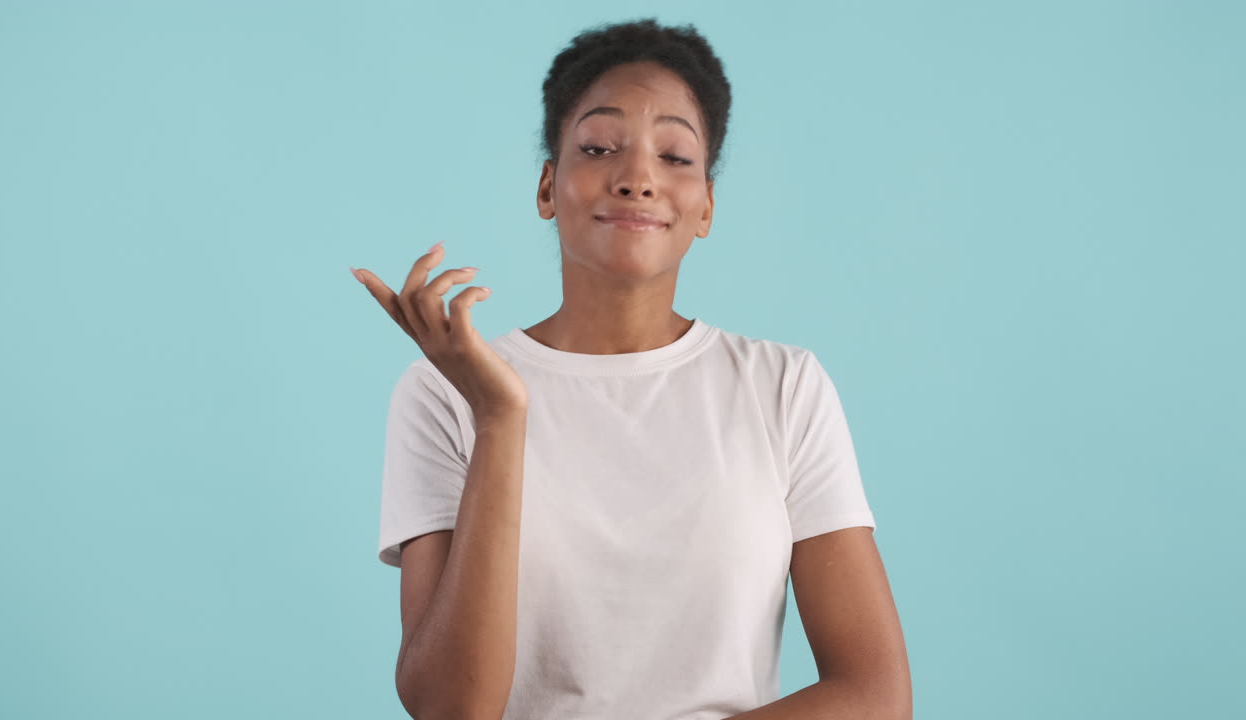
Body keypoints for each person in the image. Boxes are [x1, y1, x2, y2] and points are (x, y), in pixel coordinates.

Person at [351, 17, 911, 720]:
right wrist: (500, 419)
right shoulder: (445, 392)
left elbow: (876, 696)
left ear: (705, 205)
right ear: (548, 188)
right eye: (598, 147)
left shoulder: (783, 387)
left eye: (675, 156)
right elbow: (449, 709)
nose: (638, 178)